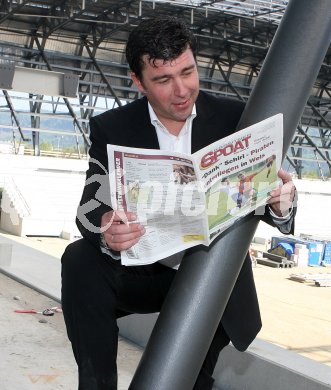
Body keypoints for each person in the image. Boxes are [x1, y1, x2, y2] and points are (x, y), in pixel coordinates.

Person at [61, 16, 296, 390]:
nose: (183, 90)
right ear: (138, 82)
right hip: (146, 271)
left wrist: (282, 204)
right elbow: (89, 208)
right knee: (78, 259)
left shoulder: (238, 119)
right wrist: (107, 229)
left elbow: (264, 197)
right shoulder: (113, 128)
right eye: (164, 80)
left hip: (210, 274)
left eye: (188, 72)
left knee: (188, 381)